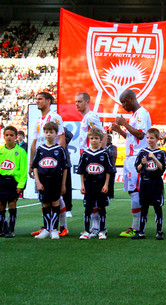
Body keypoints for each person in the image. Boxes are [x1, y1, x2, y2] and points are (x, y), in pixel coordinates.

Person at [112, 90, 151, 238]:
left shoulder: (141, 113)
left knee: (136, 191)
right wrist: (120, 130)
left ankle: (138, 227)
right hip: (130, 157)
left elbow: (141, 135)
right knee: (132, 191)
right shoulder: (134, 115)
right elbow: (133, 136)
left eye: (124, 102)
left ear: (131, 99)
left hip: (137, 157)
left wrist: (124, 124)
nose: (123, 106)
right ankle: (135, 226)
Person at [29, 92, 69, 237]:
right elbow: (34, 143)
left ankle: (62, 226)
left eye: (40, 99)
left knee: (57, 197)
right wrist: (31, 164)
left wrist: (61, 158)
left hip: (54, 163)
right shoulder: (39, 120)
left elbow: (62, 139)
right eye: (37, 99)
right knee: (44, 197)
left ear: (48, 101)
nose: (37, 101)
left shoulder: (55, 117)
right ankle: (48, 227)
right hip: (41, 164)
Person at [75, 92, 107, 232]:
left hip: (93, 159)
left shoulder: (91, 117)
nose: (77, 104)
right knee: (90, 194)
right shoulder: (85, 118)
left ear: (87, 102)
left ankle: (97, 226)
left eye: (80, 101)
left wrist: (101, 152)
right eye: (76, 102)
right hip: (87, 158)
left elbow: (102, 134)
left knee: (94, 194)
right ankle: (95, 226)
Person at [77, 128, 115, 240]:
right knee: (88, 208)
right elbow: (82, 171)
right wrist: (82, 185)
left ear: (101, 140)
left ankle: (102, 230)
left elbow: (108, 170)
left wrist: (106, 184)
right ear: (89, 139)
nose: (94, 140)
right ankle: (86, 230)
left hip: (100, 184)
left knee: (101, 207)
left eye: (96, 138)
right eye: (92, 138)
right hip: (89, 184)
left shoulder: (104, 153)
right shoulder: (85, 154)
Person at [132, 128, 166, 240]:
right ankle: (141, 231)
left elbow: (162, 169)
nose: (149, 140)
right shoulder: (142, 152)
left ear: (157, 139)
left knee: (157, 207)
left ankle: (159, 231)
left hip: (156, 182)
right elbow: (137, 168)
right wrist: (142, 164)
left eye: (152, 138)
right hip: (145, 182)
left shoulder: (161, 153)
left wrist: (155, 159)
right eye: (147, 138)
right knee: (144, 207)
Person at [0, 126, 27, 238]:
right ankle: (2, 229)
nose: (9, 137)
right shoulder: (1, 150)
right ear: (4, 136)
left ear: (16, 137)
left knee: (12, 204)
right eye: (7, 135)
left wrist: (21, 185)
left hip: (13, 182)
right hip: (1, 180)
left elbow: (23, 170)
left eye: (11, 135)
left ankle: (11, 229)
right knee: (1, 206)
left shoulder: (20, 152)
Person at [106, 135, 117, 199]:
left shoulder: (113, 147)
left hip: (112, 167)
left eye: (109, 139)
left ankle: (111, 195)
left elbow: (112, 154)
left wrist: (105, 150)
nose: (107, 140)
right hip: (105, 168)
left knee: (111, 182)